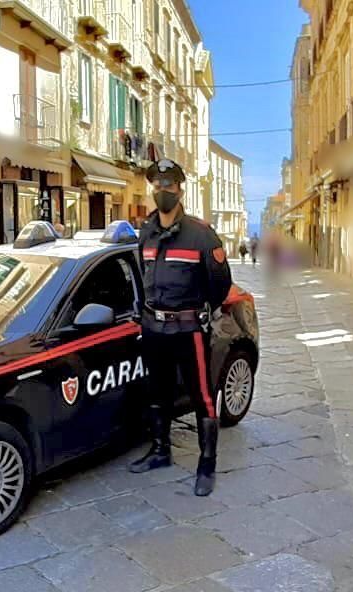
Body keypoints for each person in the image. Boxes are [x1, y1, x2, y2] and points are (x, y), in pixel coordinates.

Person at [129, 158, 232, 496]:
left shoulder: (201, 235)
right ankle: (161, 451)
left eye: (168, 186)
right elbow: (143, 278)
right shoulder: (146, 232)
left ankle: (207, 464)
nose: (162, 192)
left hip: (189, 331)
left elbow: (220, 284)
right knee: (157, 393)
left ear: (180, 189)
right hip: (154, 330)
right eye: (157, 186)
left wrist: (199, 313)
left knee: (202, 396)